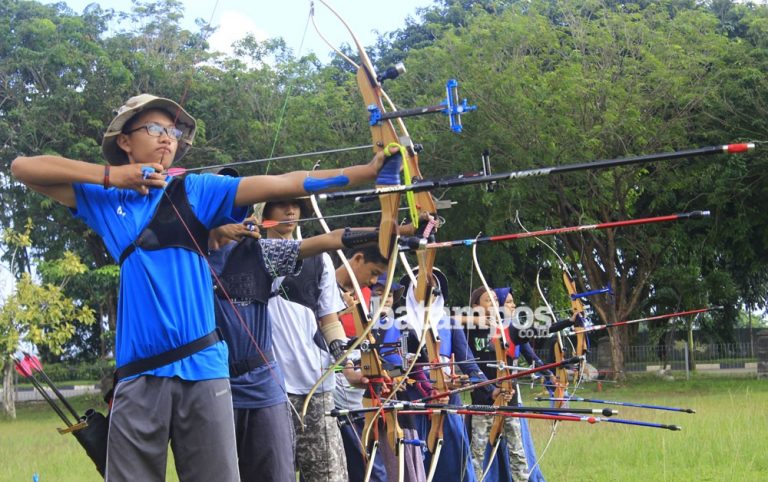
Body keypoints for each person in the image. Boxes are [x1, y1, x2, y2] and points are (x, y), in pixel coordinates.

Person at [10, 93, 394, 481]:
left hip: (204, 371)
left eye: (172, 131)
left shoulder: (195, 190)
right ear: (124, 141)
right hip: (138, 376)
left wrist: (364, 172)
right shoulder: (104, 200)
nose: (167, 138)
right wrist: (112, 176)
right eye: (154, 128)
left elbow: (281, 182)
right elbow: (22, 167)